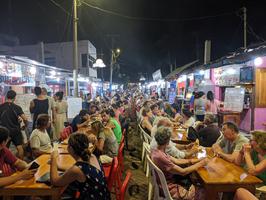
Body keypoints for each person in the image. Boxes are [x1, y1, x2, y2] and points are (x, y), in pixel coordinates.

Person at [151, 126, 208, 200]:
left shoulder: (157, 151)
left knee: (193, 178)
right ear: (168, 141)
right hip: (168, 187)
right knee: (203, 190)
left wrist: (196, 161)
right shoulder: (161, 157)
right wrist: (200, 164)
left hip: (163, 182)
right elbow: (183, 172)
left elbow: (176, 161)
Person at [50, 133, 110, 200]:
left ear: (70, 148)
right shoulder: (92, 156)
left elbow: (55, 181)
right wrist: (58, 166)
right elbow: (79, 171)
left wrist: (53, 158)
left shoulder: (77, 169)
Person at [0, 90, 28, 159]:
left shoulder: (1, 107)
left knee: (3, 149)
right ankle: (20, 166)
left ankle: (4, 165)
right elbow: (25, 119)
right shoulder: (17, 107)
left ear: (6, 96)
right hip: (16, 131)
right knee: (20, 148)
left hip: (5, 132)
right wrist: (25, 125)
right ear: (14, 98)